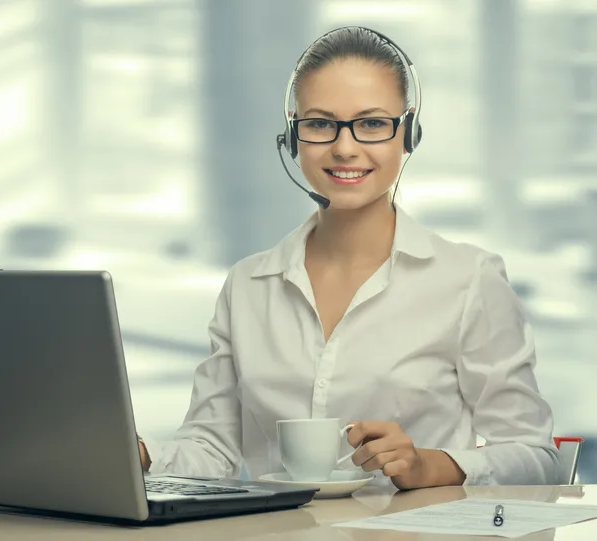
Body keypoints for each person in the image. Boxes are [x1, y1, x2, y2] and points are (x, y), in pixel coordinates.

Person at [138, 26, 564, 489]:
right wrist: (138, 455)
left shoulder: (468, 279)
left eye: (373, 123)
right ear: (292, 132)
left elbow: (536, 457)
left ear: (409, 132)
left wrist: (430, 465)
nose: (345, 147)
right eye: (320, 123)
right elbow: (212, 449)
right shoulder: (247, 285)